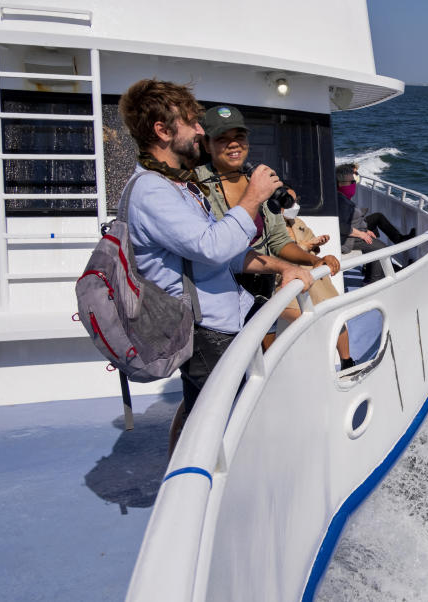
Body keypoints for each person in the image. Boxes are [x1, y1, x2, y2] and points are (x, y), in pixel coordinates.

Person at [118, 79, 314, 454]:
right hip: (203, 333)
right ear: (162, 131)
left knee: (203, 422)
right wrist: (254, 197)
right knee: (235, 433)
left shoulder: (175, 186)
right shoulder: (152, 191)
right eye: (191, 122)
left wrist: (279, 267)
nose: (200, 130)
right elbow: (212, 246)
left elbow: (223, 251)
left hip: (221, 323)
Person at [196, 106, 353, 366]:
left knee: (261, 371)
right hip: (218, 301)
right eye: (222, 138)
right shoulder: (197, 186)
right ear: (207, 144)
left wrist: (313, 261)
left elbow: (279, 241)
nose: (233, 144)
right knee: (217, 381)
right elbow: (216, 248)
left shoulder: (259, 180)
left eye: (239, 136)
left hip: (262, 295)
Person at [336, 163, 415, 282]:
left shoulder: (341, 197)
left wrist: (365, 230)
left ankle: (377, 271)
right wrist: (361, 234)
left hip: (353, 234)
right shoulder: (340, 200)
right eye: (351, 182)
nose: (354, 184)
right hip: (347, 240)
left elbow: (349, 221)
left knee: (377, 239)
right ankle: (373, 279)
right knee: (381, 248)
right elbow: (340, 225)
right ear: (339, 184)